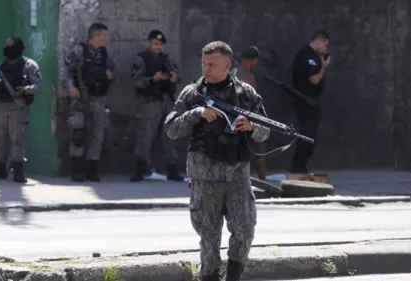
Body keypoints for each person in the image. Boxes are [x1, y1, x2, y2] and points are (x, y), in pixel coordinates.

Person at [164, 41, 270, 281]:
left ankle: (233, 276)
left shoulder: (246, 94)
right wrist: (196, 114)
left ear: (227, 66)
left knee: (244, 230)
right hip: (205, 177)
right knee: (209, 238)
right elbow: (171, 128)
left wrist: (252, 126)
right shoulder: (192, 93)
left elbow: (266, 130)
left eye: (212, 64)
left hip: (237, 176)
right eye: (204, 63)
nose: (206, 68)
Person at [63, 22, 116, 182]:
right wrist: (71, 86)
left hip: (98, 98)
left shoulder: (105, 54)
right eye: (104, 35)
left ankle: (92, 169)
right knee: (78, 133)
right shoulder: (80, 51)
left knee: (97, 135)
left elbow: (112, 71)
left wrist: (110, 75)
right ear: (96, 36)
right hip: (81, 98)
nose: (106, 38)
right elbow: (67, 69)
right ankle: (76, 169)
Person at [129, 29, 183, 182]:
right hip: (149, 102)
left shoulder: (166, 59)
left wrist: (174, 77)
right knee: (144, 137)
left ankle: (172, 170)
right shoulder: (140, 59)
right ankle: (139, 170)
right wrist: (153, 79)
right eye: (155, 44)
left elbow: (180, 74)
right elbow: (136, 81)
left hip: (166, 101)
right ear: (149, 43)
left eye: (160, 44)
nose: (158, 47)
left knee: (169, 137)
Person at [0, 37, 42, 183]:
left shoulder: (29, 65)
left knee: (18, 140)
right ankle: (0, 169)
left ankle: (18, 171)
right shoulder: (2, 65)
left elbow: (38, 85)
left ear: (18, 47)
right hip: (1, 106)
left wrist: (25, 90)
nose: (7, 48)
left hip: (18, 106)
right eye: (6, 45)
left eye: (10, 45)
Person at [290, 30, 331, 173]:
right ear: (319, 41)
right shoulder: (306, 56)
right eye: (325, 45)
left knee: (310, 135)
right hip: (305, 100)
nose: (326, 49)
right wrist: (324, 68)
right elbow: (314, 79)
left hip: (311, 101)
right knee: (308, 135)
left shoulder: (313, 56)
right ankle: (298, 168)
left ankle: (301, 167)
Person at [231, 46, 266, 180]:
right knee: (260, 151)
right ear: (253, 60)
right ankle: (264, 182)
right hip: (248, 119)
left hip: (232, 118)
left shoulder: (232, 72)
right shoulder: (249, 77)